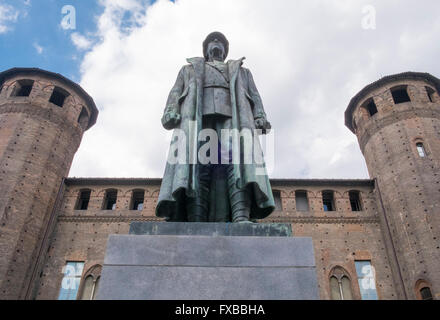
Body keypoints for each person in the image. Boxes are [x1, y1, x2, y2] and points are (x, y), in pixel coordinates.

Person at [156, 31, 275, 222]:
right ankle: (195, 218)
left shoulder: (241, 71)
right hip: (197, 118)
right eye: (212, 40)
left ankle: (240, 215)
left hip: (234, 118)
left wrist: (260, 115)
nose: (216, 43)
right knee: (198, 166)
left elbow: (255, 95)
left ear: (225, 50)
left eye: (220, 41)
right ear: (206, 49)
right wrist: (170, 110)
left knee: (236, 163)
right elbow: (176, 91)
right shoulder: (189, 69)